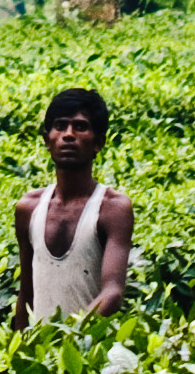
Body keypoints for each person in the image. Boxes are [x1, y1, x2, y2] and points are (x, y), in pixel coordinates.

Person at [13, 86, 134, 327]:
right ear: (47, 141)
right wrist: (17, 348)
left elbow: (112, 292)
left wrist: (72, 336)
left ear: (98, 143)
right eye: (60, 126)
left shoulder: (113, 209)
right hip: (39, 353)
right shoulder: (28, 207)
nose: (68, 135)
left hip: (89, 353)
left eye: (80, 127)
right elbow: (27, 292)